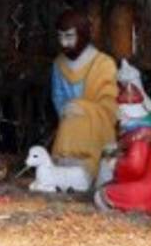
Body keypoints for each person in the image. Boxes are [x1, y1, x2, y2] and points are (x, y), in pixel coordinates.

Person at [95, 60, 151, 214]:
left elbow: (135, 167)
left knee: (102, 194)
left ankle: (116, 204)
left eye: (123, 117)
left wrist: (115, 164)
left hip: (146, 192)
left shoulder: (140, 138)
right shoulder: (139, 136)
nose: (120, 120)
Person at [50, 10, 118, 179]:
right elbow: (57, 97)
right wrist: (66, 110)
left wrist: (83, 108)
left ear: (83, 34)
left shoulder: (104, 63)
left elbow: (110, 104)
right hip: (68, 127)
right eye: (60, 36)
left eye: (69, 36)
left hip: (96, 130)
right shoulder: (58, 64)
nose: (64, 42)